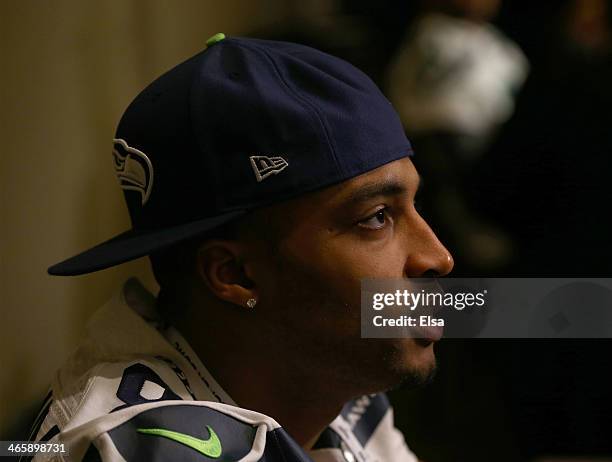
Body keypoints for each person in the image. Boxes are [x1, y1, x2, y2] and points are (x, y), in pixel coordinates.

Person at [31, 33, 453, 461]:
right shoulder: (138, 447)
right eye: (376, 217)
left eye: (413, 206)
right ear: (235, 275)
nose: (438, 257)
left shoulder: (336, 382)